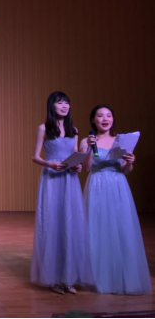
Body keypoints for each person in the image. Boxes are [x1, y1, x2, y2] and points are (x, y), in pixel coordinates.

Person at [80, 105, 152, 295]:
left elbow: (125, 170)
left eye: (109, 115)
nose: (105, 119)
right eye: (100, 115)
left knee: (121, 228)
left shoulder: (121, 140)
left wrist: (130, 162)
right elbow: (86, 167)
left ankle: (122, 276)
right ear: (93, 119)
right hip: (97, 185)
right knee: (98, 229)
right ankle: (98, 277)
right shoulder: (86, 141)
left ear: (113, 119)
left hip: (118, 186)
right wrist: (89, 148)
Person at [31, 91, 93, 295]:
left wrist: (78, 165)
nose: (64, 106)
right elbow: (35, 157)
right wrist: (49, 164)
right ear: (52, 106)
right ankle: (53, 279)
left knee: (70, 224)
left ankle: (68, 277)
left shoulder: (73, 130)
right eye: (60, 103)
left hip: (70, 178)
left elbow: (74, 153)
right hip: (52, 178)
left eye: (67, 102)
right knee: (52, 224)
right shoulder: (44, 128)